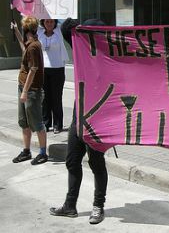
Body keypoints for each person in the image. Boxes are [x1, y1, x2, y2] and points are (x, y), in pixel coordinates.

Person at [49, 18, 108, 225]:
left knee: (96, 163)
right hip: (78, 117)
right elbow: (65, 29)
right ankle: (70, 205)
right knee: (72, 161)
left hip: (98, 120)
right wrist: (74, 14)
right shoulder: (80, 51)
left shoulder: (110, 56)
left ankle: (98, 206)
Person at [11, 16, 48, 165]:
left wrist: (25, 91)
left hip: (31, 90)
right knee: (24, 122)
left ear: (26, 29)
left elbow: (33, 69)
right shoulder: (30, 44)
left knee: (37, 122)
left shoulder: (34, 46)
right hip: (24, 87)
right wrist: (15, 31)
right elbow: (23, 47)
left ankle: (43, 153)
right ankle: (26, 151)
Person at [38, 18, 69, 133]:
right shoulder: (39, 32)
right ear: (43, 23)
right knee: (45, 98)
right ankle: (46, 123)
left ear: (55, 23)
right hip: (43, 69)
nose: (49, 24)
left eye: (51, 22)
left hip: (58, 68)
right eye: (47, 22)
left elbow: (67, 21)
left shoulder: (59, 32)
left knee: (56, 98)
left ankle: (57, 124)